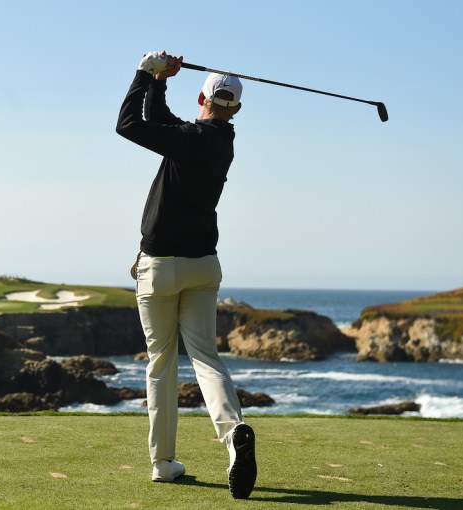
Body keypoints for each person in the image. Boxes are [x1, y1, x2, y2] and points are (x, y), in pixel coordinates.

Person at [116, 50, 257, 499]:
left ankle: (163, 463)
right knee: (204, 357)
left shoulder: (189, 138)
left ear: (203, 96)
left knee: (160, 363)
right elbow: (161, 120)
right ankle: (233, 434)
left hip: (159, 268)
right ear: (235, 108)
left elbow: (129, 125)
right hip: (203, 266)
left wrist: (143, 72)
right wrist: (161, 82)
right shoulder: (219, 142)